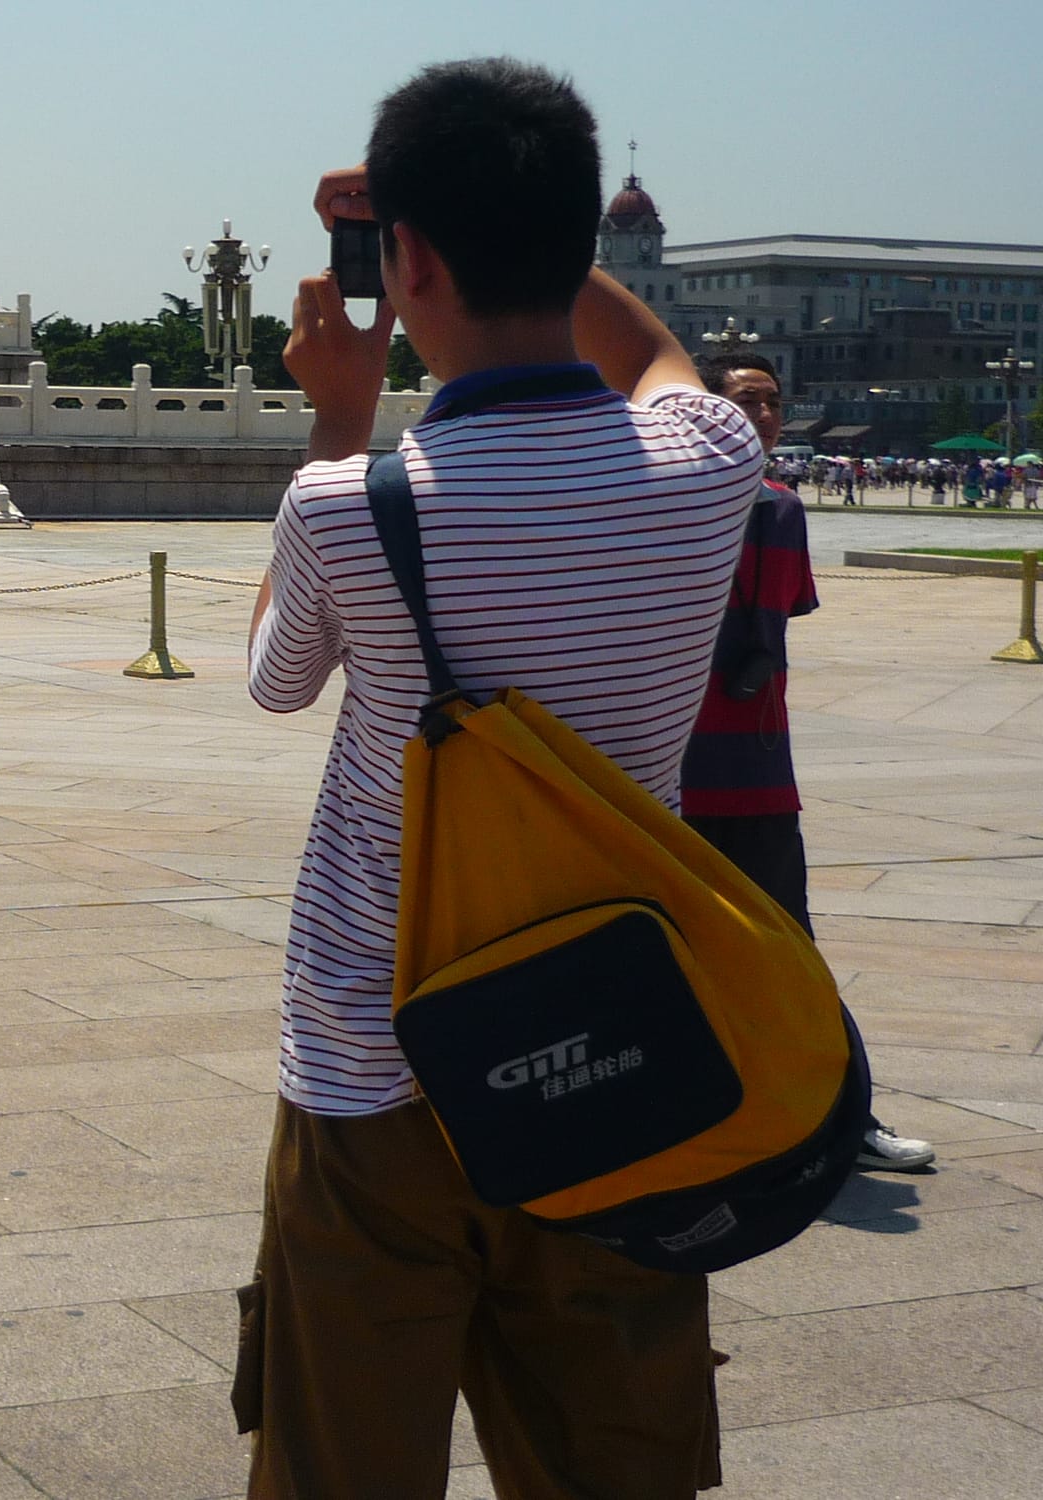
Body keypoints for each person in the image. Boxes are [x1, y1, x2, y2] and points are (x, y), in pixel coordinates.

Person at [238, 59, 760, 1499]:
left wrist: (340, 413)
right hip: (623, 1048)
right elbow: (654, 357)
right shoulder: (709, 459)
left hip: (377, 1060)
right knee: (612, 1461)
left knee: (341, 1462)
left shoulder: (349, 504)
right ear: (581, 236)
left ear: (403, 263)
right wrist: (485, 221)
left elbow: (275, 680)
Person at [683, 354, 936, 1176]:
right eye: (744, 400)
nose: (762, 414)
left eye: (771, 401)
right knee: (696, 953)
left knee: (779, 948)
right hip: (684, 766)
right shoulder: (692, 502)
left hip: (740, 764)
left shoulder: (775, 510)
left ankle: (834, 1115)